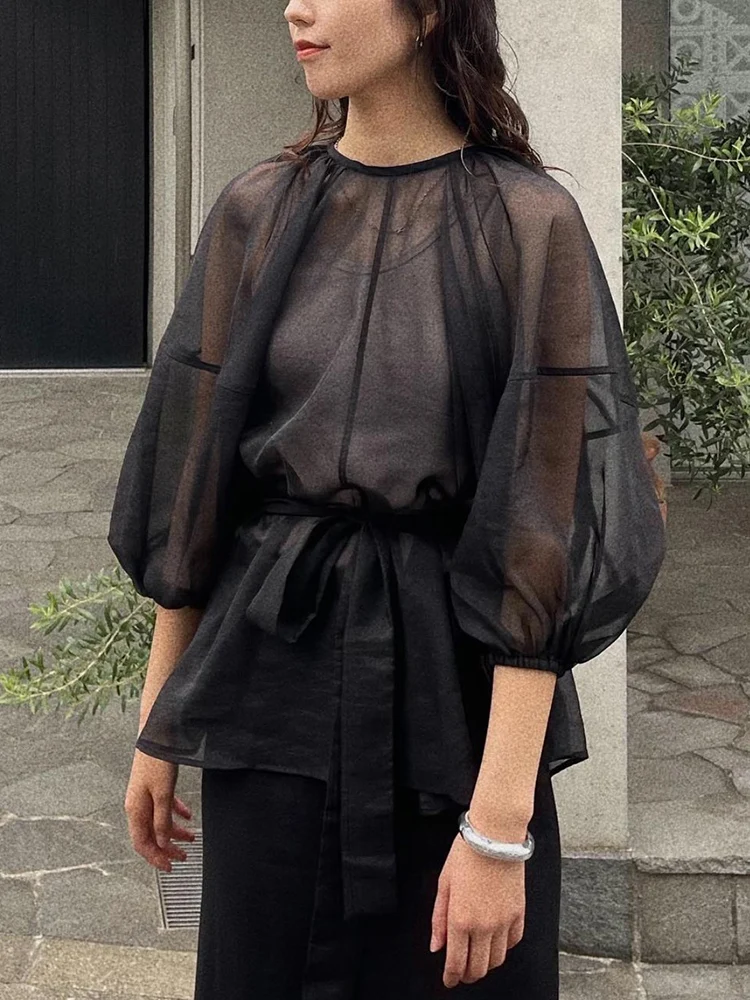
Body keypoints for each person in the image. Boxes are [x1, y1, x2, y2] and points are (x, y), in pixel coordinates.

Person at [109, 1, 667, 997]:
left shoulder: (528, 224)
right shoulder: (256, 211)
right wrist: (160, 722)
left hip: (455, 715)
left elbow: (541, 539)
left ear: (429, 12)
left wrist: (498, 829)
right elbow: (195, 487)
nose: (296, 6)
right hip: (269, 695)